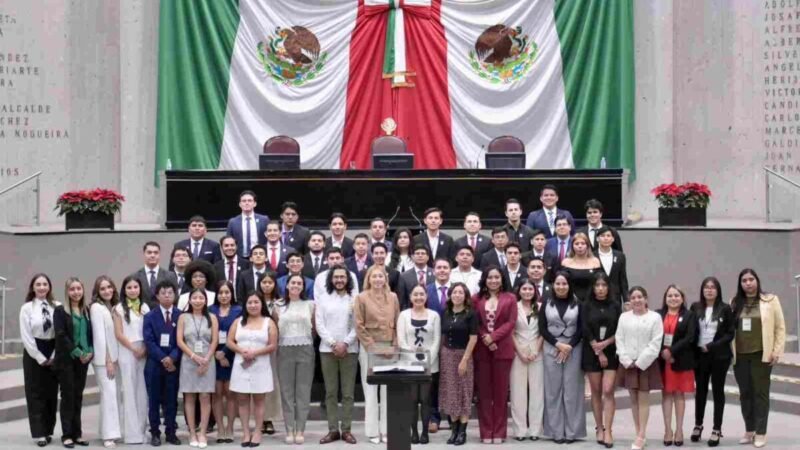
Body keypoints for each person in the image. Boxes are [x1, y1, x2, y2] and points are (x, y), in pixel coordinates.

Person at [731, 268, 785, 448]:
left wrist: (776, 351)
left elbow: (779, 328)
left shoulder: (770, 300)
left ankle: (761, 432)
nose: (748, 283)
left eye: (751, 279)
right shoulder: (734, 302)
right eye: (744, 280)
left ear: (757, 281)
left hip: (762, 355)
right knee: (745, 394)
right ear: (740, 283)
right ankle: (749, 429)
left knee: (760, 394)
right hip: (740, 356)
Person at [355, 265, 401, 444]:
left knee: (388, 391)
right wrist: (372, 347)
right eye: (374, 277)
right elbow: (359, 325)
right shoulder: (361, 297)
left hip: (390, 347)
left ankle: (387, 429)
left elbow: (398, 321)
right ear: (369, 279)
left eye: (380, 276)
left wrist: (395, 344)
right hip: (370, 348)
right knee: (371, 391)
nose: (377, 280)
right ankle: (372, 431)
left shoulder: (393, 297)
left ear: (385, 279)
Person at [539, 271, 586, 443]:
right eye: (558, 284)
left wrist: (569, 346)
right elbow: (542, 328)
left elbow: (582, 328)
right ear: (553, 285)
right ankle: (555, 432)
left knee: (572, 391)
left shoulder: (578, 303)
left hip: (573, 349)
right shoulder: (546, 302)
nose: (561, 287)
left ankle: (572, 432)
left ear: (569, 285)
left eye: (564, 284)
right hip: (552, 348)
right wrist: (558, 345)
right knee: (553, 391)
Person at [473, 266, 517, 444]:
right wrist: (485, 337)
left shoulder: (510, 298)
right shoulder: (476, 299)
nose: (493, 280)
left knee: (500, 394)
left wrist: (493, 337)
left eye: (496, 277)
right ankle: (485, 432)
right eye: (490, 277)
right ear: (485, 279)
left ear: (502, 279)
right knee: (484, 394)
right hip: (482, 350)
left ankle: (499, 432)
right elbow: (474, 322)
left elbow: (511, 322)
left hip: (503, 350)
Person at [316, 265, 359, 445]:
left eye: (343, 277)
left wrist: (346, 343)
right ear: (331, 279)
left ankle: (347, 430)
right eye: (336, 277)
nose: (339, 280)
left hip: (350, 349)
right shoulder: (323, 299)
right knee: (331, 392)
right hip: (327, 350)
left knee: (348, 393)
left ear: (348, 279)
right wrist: (334, 344)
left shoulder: (355, 298)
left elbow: (359, 324)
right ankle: (333, 430)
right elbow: (319, 324)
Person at [228, 293, 278, 447]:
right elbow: (230, 341)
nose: (253, 305)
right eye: (250, 302)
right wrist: (241, 351)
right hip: (240, 365)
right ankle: (245, 432)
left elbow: (272, 345)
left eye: (256, 302)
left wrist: (255, 353)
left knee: (259, 400)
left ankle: (257, 431)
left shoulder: (269, 322)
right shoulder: (238, 321)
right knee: (242, 401)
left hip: (260, 365)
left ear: (261, 304)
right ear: (246, 305)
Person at [616, 286, 664, 450]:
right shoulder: (624, 317)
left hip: (645, 364)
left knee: (643, 399)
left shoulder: (655, 317)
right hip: (628, 363)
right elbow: (619, 339)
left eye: (639, 297)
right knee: (633, 400)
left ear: (646, 299)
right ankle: (639, 433)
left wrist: (641, 361)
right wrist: (626, 359)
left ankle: (642, 434)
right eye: (633, 298)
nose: (636, 300)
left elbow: (656, 343)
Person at [690, 277, 734, 447]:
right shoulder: (695, 307)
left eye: (712, 287)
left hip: (719, 356)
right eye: (706, 287)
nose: (709, 290)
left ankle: (716, 429)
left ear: (718, 290)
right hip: (700, 356)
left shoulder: (725, 308)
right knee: (700, 391)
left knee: (717, 392)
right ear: (702, 290)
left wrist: (712, 346)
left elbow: (730, 334)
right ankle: (698, 425)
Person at [397, 285, 441, 444]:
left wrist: (427, 359)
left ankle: (424, 432)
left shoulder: (434, 315)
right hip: (409, 364)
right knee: (412, 400)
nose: (418, 297)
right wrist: (414, 356)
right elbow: (401, 340)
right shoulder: (403, 315)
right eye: (415, 294)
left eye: (422, 294)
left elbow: (436, 340)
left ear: (426, 297)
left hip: (430, 365)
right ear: (410, 297)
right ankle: (413, 432)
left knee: (426, 399)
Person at [275, 275, 316, 443]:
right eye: (293, 282)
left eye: (300, 283)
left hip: (305, 348)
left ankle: (300, 429)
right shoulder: (277, 306)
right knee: (286, 391)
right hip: (284, 349)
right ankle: (289, 429)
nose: (296, 285)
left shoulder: (310, 305)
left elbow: (313, 329)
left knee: (303, 391)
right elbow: (274, 329)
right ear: (287, 285)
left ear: (303, 287)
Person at [582, 273, 621, 447]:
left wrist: (606, 344)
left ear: (608, 287)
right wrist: (598, 350)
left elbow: (620, 329)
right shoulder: (586, 305)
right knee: (596, 391)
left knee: (608, 390)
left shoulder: (615, 305)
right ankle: (599, 427)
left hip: (611, 350)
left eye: (603, 285)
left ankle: (609, 431)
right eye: (597, 285)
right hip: (592, 351)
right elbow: (584, 328)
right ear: (593, 287)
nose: (600, 288)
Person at [54, 278, 94, 448]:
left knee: (78, 397)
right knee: (68, 397)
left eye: (79, 288)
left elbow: (91, 334)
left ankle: (77, 434)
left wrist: (90, 351)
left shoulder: (86, 310)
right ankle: (67, 435)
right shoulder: (60, 311)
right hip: (67, 360)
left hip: (83, 360)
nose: (76, 292)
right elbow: (61, 335)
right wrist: (77, 353)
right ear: (67, 292)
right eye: (72, 289)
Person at [177, 289, 219, 448]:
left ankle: (202, 433)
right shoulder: (183, 317)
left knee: (205, 397)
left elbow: (214, 341)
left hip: (208, 361)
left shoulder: (212, 318)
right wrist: (195, 357)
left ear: (206, 300)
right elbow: (180, 341)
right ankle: (192, 433)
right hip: (188, 361)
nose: (198, 300)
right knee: (189, 397)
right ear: (189, 300)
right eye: (194, 297)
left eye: (201, 297)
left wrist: (206, 360)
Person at [20, 274, 59, 447]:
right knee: (35, 393)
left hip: (54, 349)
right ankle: (39, 434)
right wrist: (40, 357)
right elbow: (26, 336)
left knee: (51, 393)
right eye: (38, 284)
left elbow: (61, 332)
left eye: (45, 284)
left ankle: (49, 430)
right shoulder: (27, 308)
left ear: (49, 287)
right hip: (33, 351)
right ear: (33, 287)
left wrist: (53, 355)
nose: (42, 287)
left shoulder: (57, 306)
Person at [142, 281, 181, 446]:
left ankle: (171, 432)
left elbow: (182, 341)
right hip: (154, 365)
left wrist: (172, 358)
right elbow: (149, 341)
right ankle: (155, 433)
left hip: (173, 365)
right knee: (154, 401)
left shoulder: (181, 315)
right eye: (163, 292)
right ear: (157, 296)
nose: (167, 295)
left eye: (170, 292)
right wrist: (163, 358)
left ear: (175, 295)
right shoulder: (150, 316)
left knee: (171, 400)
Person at [438, 283, 478, 446]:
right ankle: (454, 431)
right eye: (455, 292)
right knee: (451, 393)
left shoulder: (471, 314)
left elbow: (473, 338)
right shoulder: (446, 313)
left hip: (464, 356)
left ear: (465, 296)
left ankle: (462, 432)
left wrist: (464, 360)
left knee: (464, 392)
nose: (457, 295)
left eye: (461, 292)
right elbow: (443, 335)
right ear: (450, 295)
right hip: (447, 355)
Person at [113, 276, 150, 444]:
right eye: (129, 287)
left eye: (136, 287)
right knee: (129, 390)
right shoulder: (118, 308)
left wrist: (144, 348)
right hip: (127, 351)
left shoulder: (145, 307)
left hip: (144, 350)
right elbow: (119, 334)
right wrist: (133, 348)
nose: (133, 290)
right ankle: (132, 433)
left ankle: (142, 429)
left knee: (142, 391)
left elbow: (149, 330)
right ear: (124, 290)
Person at [659, 285, 697, 447]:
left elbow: (690, 337)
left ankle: (679, 430)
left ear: (682, 298)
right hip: (662, 360)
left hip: (680, 360)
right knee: (666, 395)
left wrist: (672, 352)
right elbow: (652, 333)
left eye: (676, 295)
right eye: (670, 295)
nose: (673, 298)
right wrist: (663, 351)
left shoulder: (689, 315)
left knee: (679, 395)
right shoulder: (658, 314)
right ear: (665, 298)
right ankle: (668, 430)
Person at [89, 276, 122, 448]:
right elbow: (100, 337)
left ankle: (107, 431)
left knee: (112, 395)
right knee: (109, 395)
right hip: (103, 360)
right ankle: (109, 436)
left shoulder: (112, 307)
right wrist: (108, 360)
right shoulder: (96, 308)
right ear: (97, 292)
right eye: (102, 289)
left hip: (114, 358)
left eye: (109, 287)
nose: (107, 291)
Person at [510, 279, 544, 442]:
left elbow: (544, 331)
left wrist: (536, 350)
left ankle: (535, 429)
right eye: (524, 288)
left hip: (537, 352)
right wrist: (520, 352)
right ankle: (520, 430)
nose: (527, 291)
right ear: (519, 290)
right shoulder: (513, 307)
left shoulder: (541, 307)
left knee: (537, 392)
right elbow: (510, 332)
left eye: (530, 288)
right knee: (518, 393)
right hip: (518, 353)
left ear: (534, 291)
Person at [210, 281, 242, 444]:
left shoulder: (239, 310)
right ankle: (220, 428)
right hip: (214, 356)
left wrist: (225, 353)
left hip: (232, 355)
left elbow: (240, 334)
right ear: (217, 294)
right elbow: (206, 334)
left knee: (230, 394)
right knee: (216, 394)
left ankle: (230, 428)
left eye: (227, 292)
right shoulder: (210, 310)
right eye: (221, 293)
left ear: (232, 294)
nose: (224, 296)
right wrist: (217, 354)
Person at [256, 271, 283, 436]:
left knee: (272, 383)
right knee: (258, 383)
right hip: (256, 347)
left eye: (270, 282)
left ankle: (269, 418)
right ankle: (259, 419)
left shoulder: (280, 303)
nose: (267, 285)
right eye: (264, 282)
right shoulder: (254, 301)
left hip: (274, 348)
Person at [558, 232, 601, 303]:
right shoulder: (566, 262)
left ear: (587, 246)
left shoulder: (595, 262)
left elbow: (598, 282)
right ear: (572, 246)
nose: (580, 246)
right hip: (570, 301)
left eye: (583, 243)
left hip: (591, 301)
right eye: (577, 244)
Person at [132, 241, 177, 308]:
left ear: (159, 255)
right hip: (142, 314)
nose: (152, 255)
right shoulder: (135, 276)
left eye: (156, 253)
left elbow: (175, 298)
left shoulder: (170, 276)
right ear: (144, 254)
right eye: (149, 252)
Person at [226, 190, 269, 258]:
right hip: (240, 258)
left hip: (259, 257)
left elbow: (268, 239)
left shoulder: (264, 220)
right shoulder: (233, 222)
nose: (247, 203)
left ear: (255, 203)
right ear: (240, 204)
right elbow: (228, 241)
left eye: (249, 200)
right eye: (244, 201)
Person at [596, 227, 628, 308]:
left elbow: (623, 279)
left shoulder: (620, 256)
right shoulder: (592, 256)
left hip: (615, 297)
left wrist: (626, 300)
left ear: (613, 239)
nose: (606, 238)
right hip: (596, 297)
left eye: (608, 236)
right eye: (602, 236)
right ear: (597, 239)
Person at [214, 235, 250, 301]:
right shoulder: (216, 267)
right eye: (226, 246)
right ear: (221, 247)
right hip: (223, 304)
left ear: (236, 246)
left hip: (242, 304)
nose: (229, 248)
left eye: (232, 245)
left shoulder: (247, 264)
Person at [397, 245, 433, 310]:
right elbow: (402, 300)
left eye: (423, 253)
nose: (420, 255)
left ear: (428, 257)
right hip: (411, 313)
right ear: (412, 257)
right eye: (417, 253)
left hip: (432, 312)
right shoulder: (404, 276)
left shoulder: (435, 274)